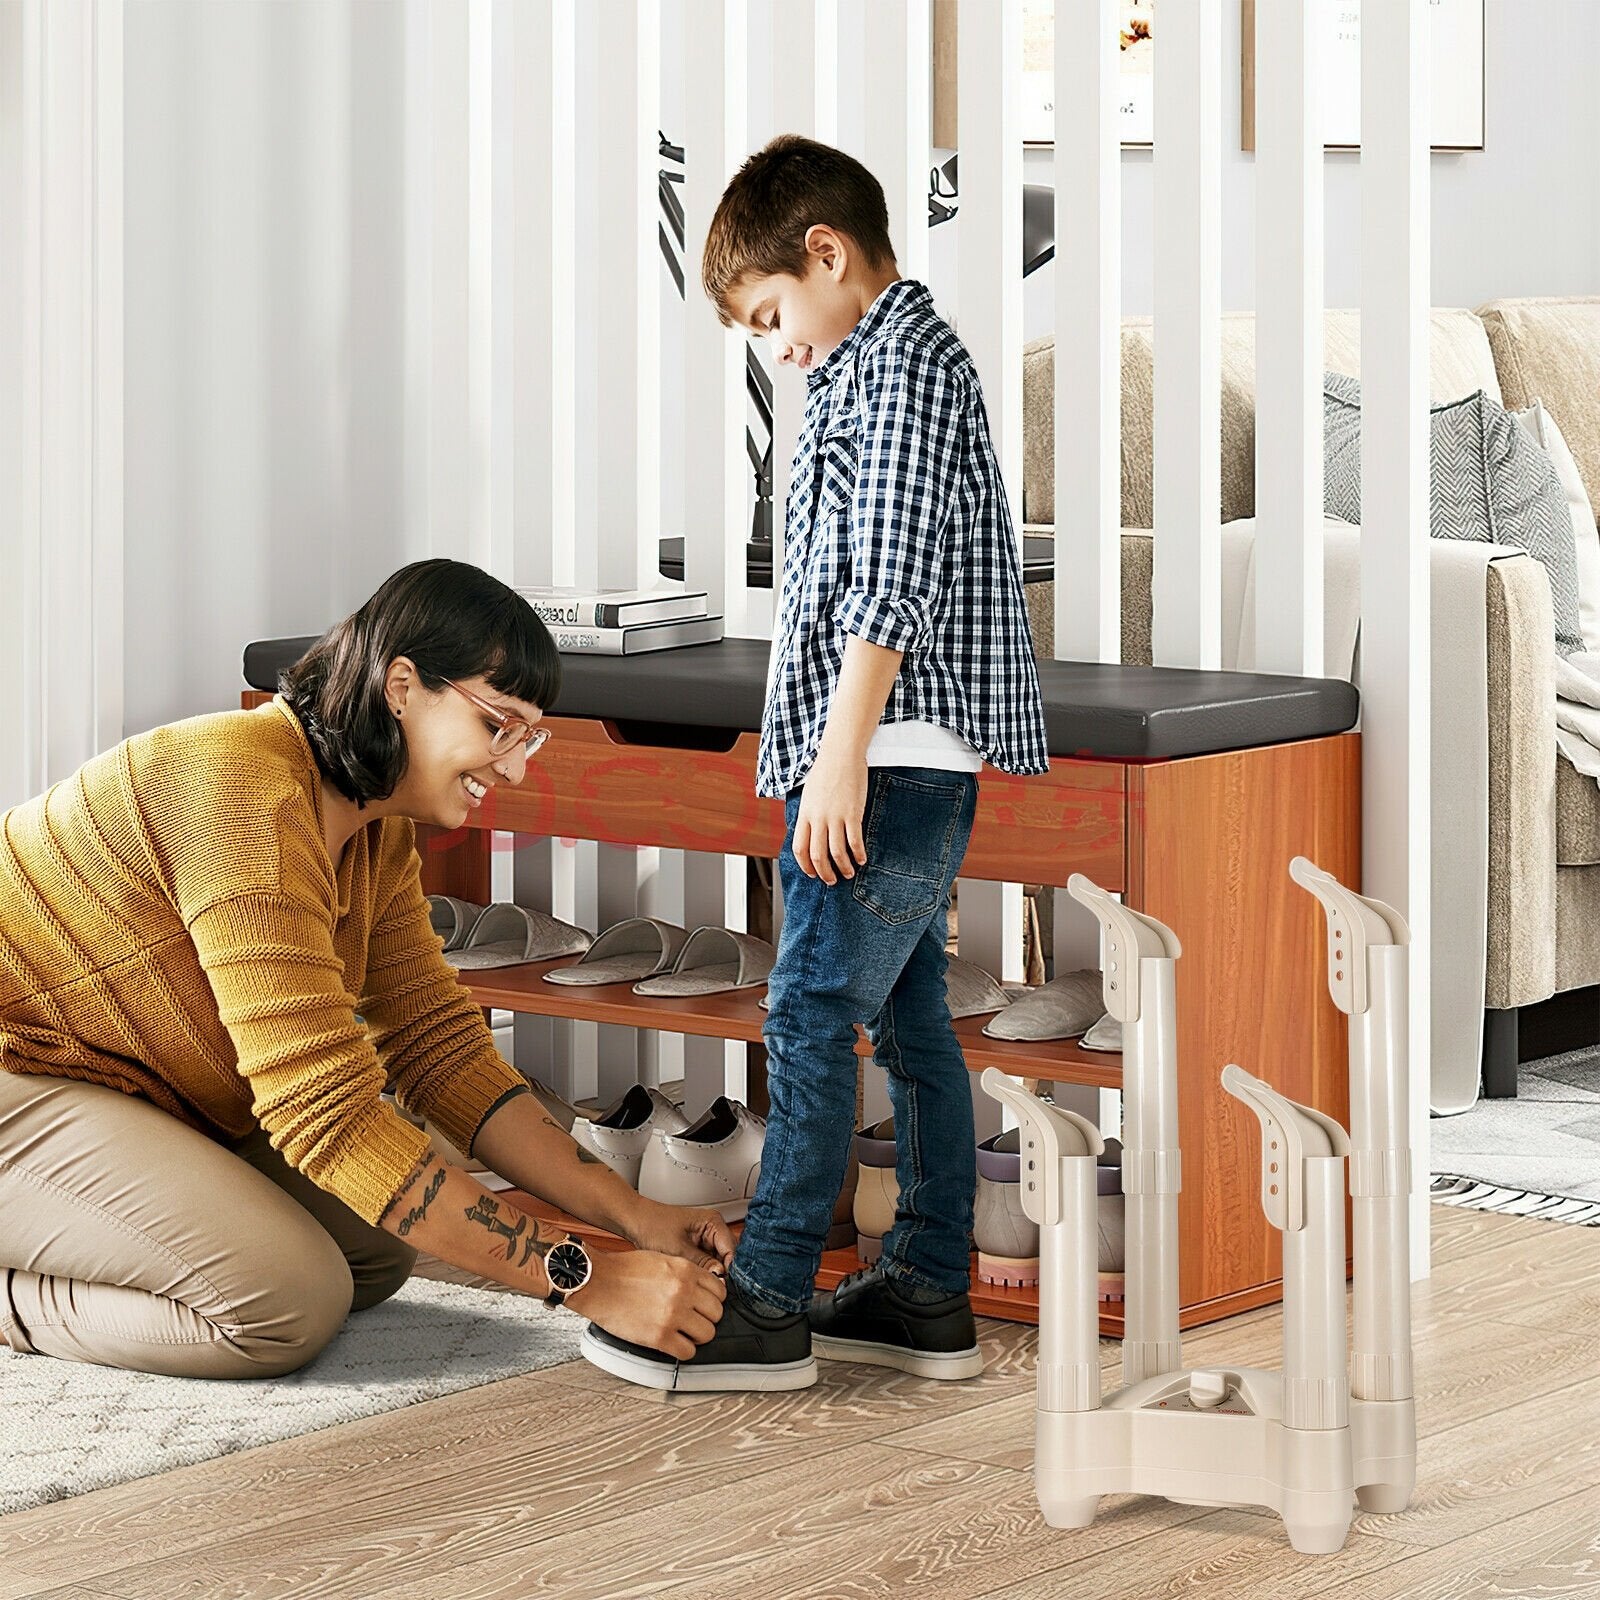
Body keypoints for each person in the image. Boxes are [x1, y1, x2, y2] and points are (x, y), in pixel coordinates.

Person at [0, 559, 730, 1378]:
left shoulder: (370, 828)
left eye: (531, 736)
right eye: (499, 726)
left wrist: (635, 1217)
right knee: (283, 1302)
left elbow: (436, 1049)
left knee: (378, 1251)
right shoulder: (244, 794)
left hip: (117, 1085)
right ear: (403, 686)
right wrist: (588, 1277)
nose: (516, 767)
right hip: (18, 1072)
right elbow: (328, 1118)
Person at [581, 135, 1048, 1393]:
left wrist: (839, 764)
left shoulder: (899, 370)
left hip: (887, 752)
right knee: (908, 1028)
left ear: (828, 254)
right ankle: (926, 1290)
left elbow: (888, 585)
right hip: (885, 750)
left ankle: (772, 1300)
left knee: (803, 1013)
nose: (772, 344)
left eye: (771, 312)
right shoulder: (861, 366)